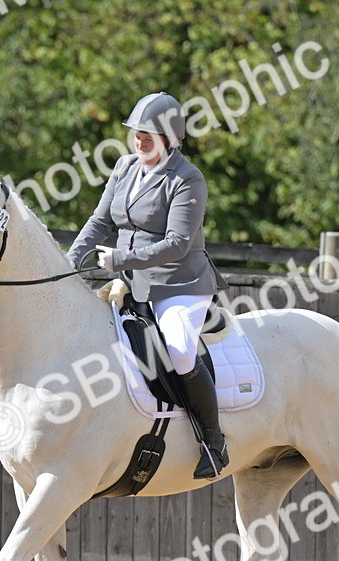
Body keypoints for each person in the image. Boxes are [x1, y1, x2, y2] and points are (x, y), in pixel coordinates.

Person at [67, 92, 230, 479]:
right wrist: (70, 262)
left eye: (148, 137)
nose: (139, 143)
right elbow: (99, 220)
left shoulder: (188, 179)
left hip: (178, 285)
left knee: (178, 351)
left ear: (170, 139)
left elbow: (177, 243)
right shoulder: (124, 167)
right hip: (129, 282)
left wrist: (119, 260)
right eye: (136, 135)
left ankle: (213, 439)